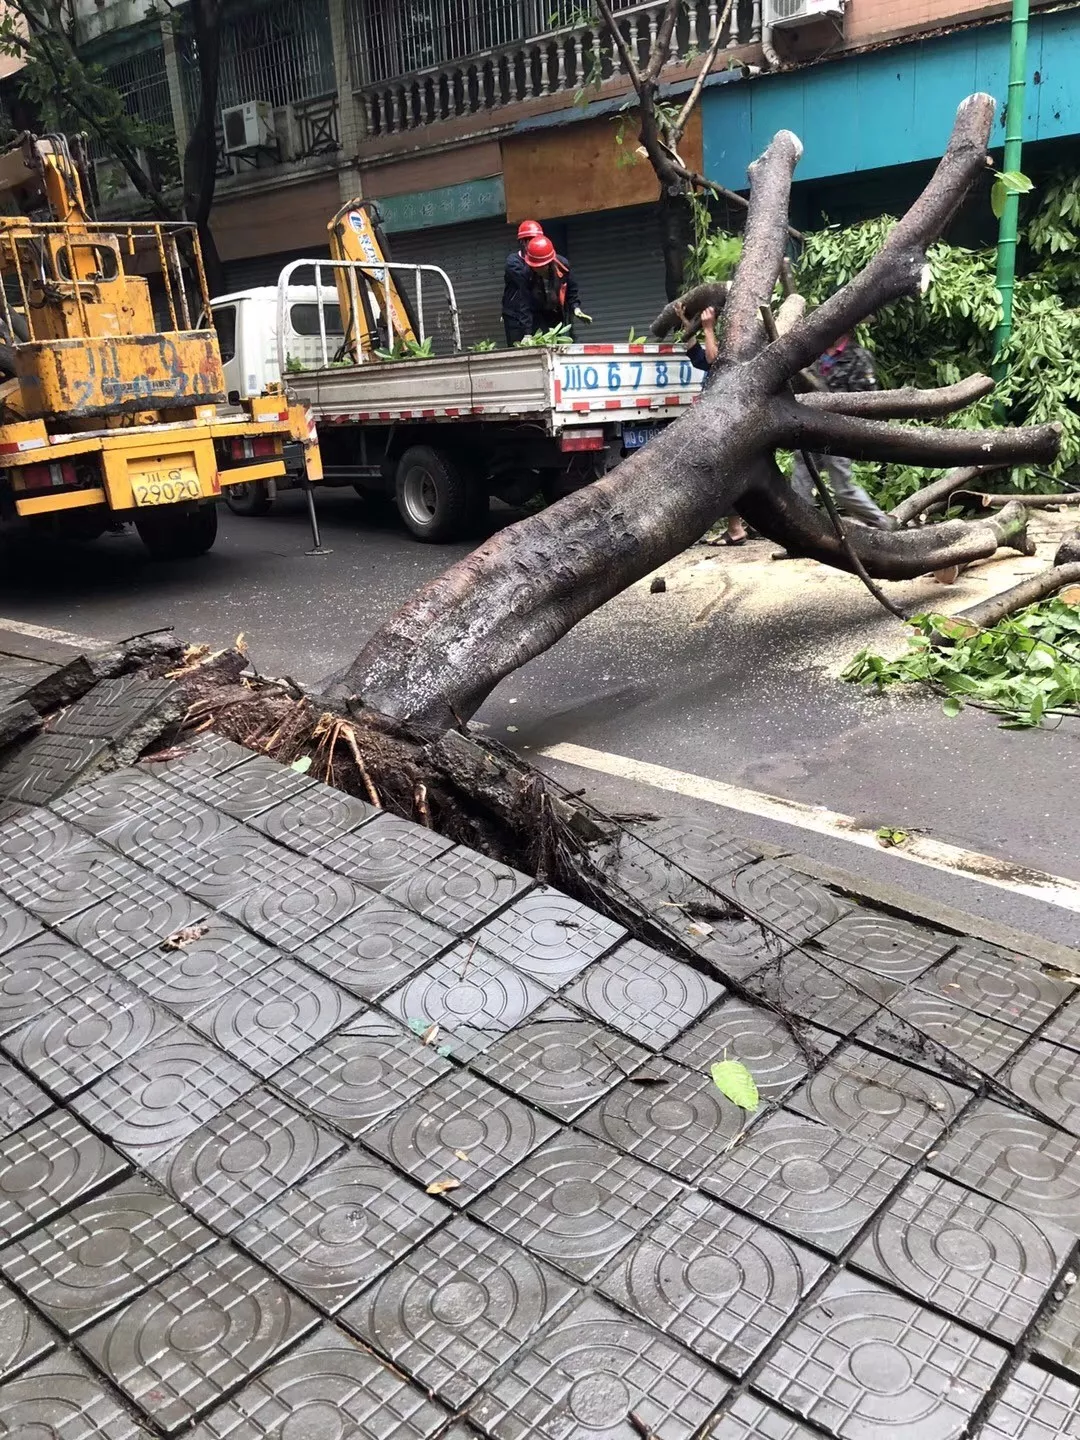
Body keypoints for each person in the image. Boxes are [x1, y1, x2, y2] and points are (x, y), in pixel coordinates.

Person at [790, 334, 892, 528]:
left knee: (843, 489)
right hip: (810, 428)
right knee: (800, 485)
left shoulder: (857, 357)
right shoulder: (814, 355)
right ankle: (803, 534)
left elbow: (867, 399)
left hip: (838, 432)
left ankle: (882, 522)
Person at [686, 306, 748, 545]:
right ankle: (734, 527)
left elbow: (714, 359)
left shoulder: (737, 349)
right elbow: (697, 356)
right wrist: (688, 325)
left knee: (724, 473)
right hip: (716, 419)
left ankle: (735, 529)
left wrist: (708, 328)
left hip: (727, 419)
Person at [520, 235, 586, 340]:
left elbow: (572, 291)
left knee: (566, 341)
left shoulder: (563, 266)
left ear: (550, 262)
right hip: (539, 315)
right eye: (536, 267)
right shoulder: (526, 274)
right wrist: (527, 332)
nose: (539, 269)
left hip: (560, 313)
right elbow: (525, 305)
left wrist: (575, 307)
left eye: (542, 266)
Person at [502, 219, 544, 346]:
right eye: (530, 240)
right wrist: (533, 261)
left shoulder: (543, 260)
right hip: (514, 317)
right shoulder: (513, 262)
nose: (533, 244)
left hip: (535, 314)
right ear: (522, 242)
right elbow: (525, 279)